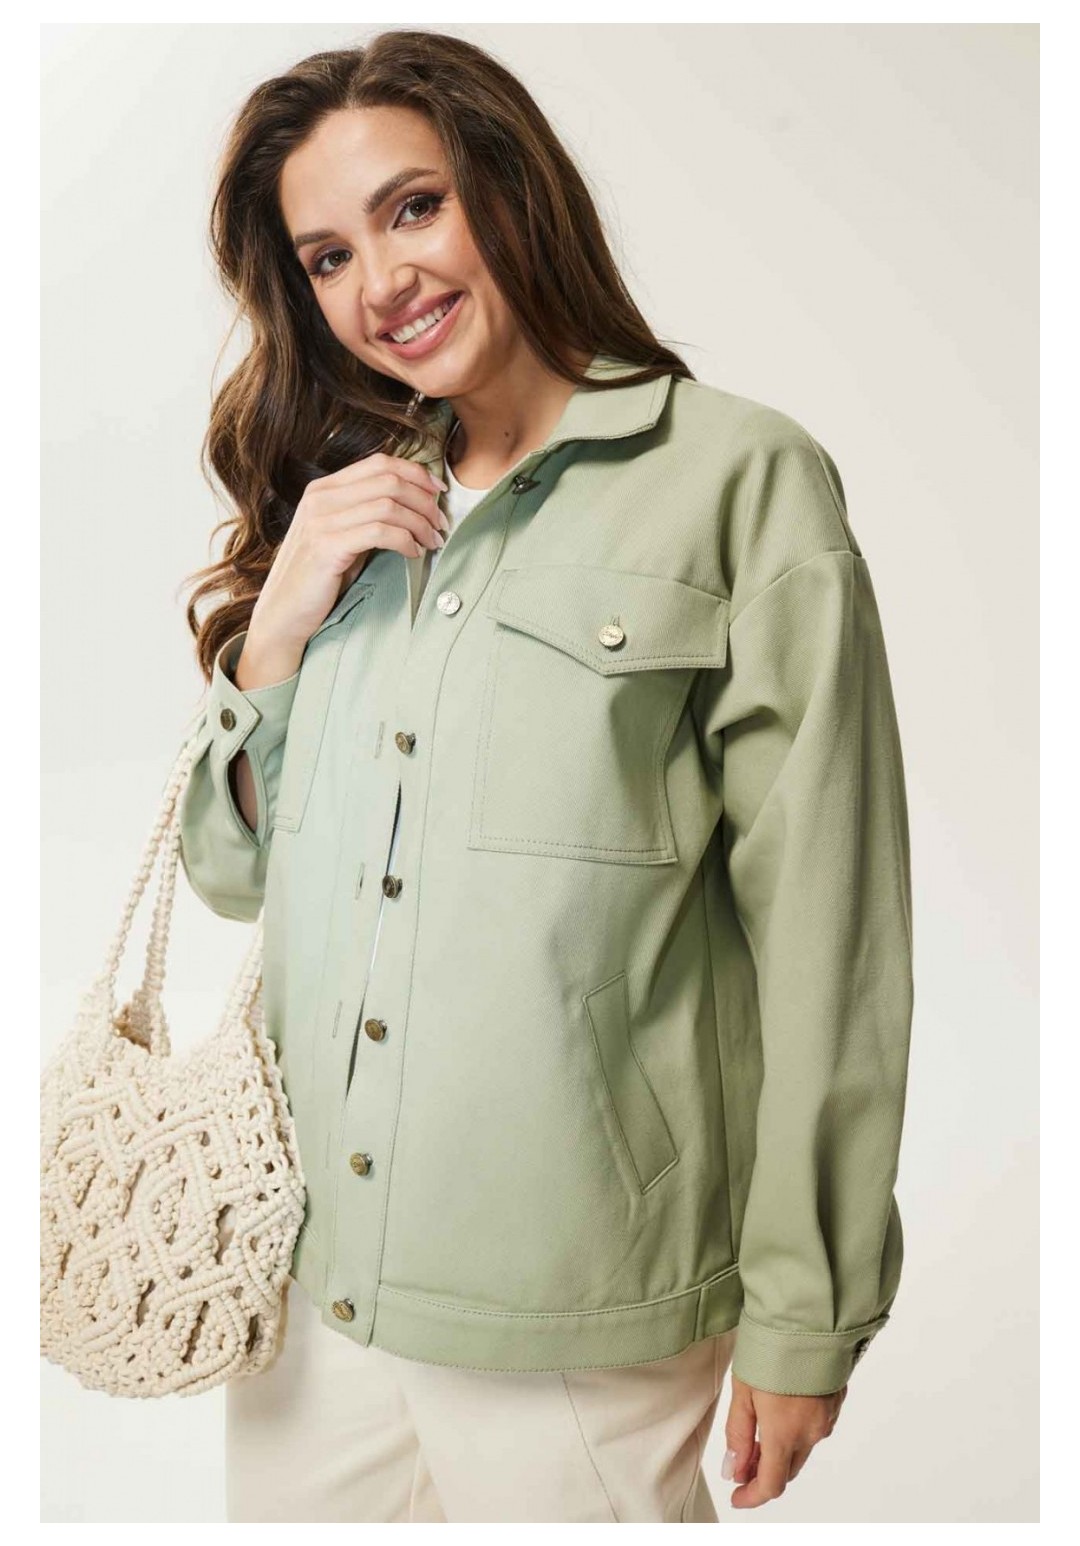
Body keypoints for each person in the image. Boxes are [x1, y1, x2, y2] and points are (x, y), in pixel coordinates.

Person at [176, 29, 914, 1525]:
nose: (379, 283)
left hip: (578, 1303)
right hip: (318, 1288)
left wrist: (806, 1309)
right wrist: (279, 629)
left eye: (414, 207)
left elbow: (831, 931)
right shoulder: (353, 502)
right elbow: (235, 871)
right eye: (327, 257)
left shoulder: (738, 481)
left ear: (511, 188)